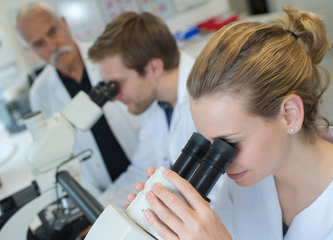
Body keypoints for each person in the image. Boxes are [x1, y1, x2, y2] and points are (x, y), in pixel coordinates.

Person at [130, 8, 333, 239]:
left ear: (289, 114)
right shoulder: (247, 180)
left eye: (230, 142)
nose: (223, 163)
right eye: (211, 145)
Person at [15, 2, 141, 199]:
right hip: (103, 191)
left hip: (147, 163)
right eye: (39, 44)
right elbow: (57, 157)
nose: (52, 46)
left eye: (53, 32)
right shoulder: (40, 93)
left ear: (64, 23)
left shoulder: (111, 56)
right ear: (30, 50)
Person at [88, 12, 197, 207]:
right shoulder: (156, 105)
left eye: (117, 84)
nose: (113, 97)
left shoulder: (207, 100)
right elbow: (142, 168)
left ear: (154, 68)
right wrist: (94, 212)